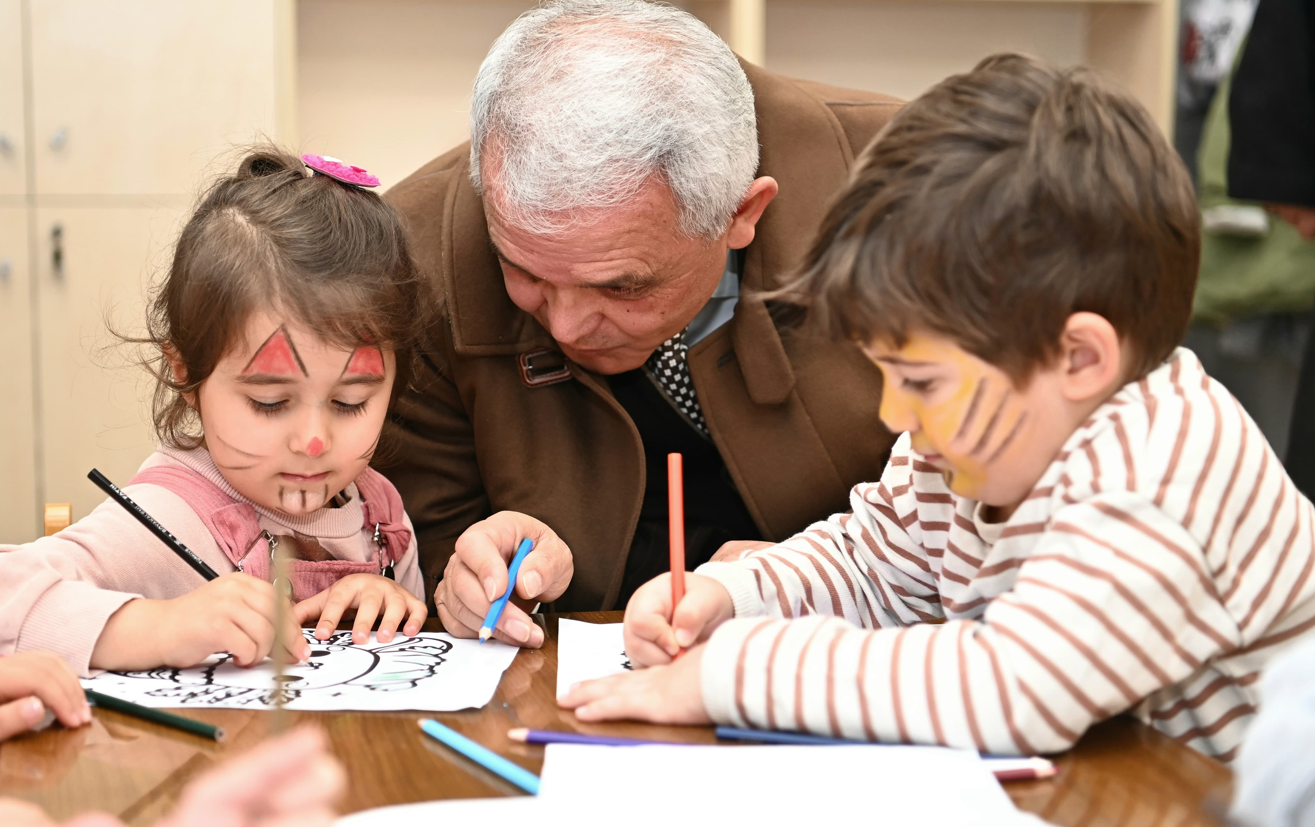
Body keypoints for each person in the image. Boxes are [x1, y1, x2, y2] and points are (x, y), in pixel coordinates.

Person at [559, 53, 1315, 763]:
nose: (894, 414)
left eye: (919, 381)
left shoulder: (1160, 469)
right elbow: (871, 566)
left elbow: (1013, 688)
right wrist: (732, 596)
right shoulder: (961, 447)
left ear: (1078, 358)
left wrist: (732, 672)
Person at [379, 0, 904, 646]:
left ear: (743, 212)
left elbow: (978, 524)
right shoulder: (407, 259)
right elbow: (417, 541)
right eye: (524, 271)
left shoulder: (922, 200)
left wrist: (804, 578)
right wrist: (461, 580)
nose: (567, 326)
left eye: (622, 284)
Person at [0, 147, 432, 677]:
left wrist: (388, 601)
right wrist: (157, 626)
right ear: (186, 373)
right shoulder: (166, 517)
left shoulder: (378, 513)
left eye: (350, 403)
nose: (313, 440)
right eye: (269, 402)